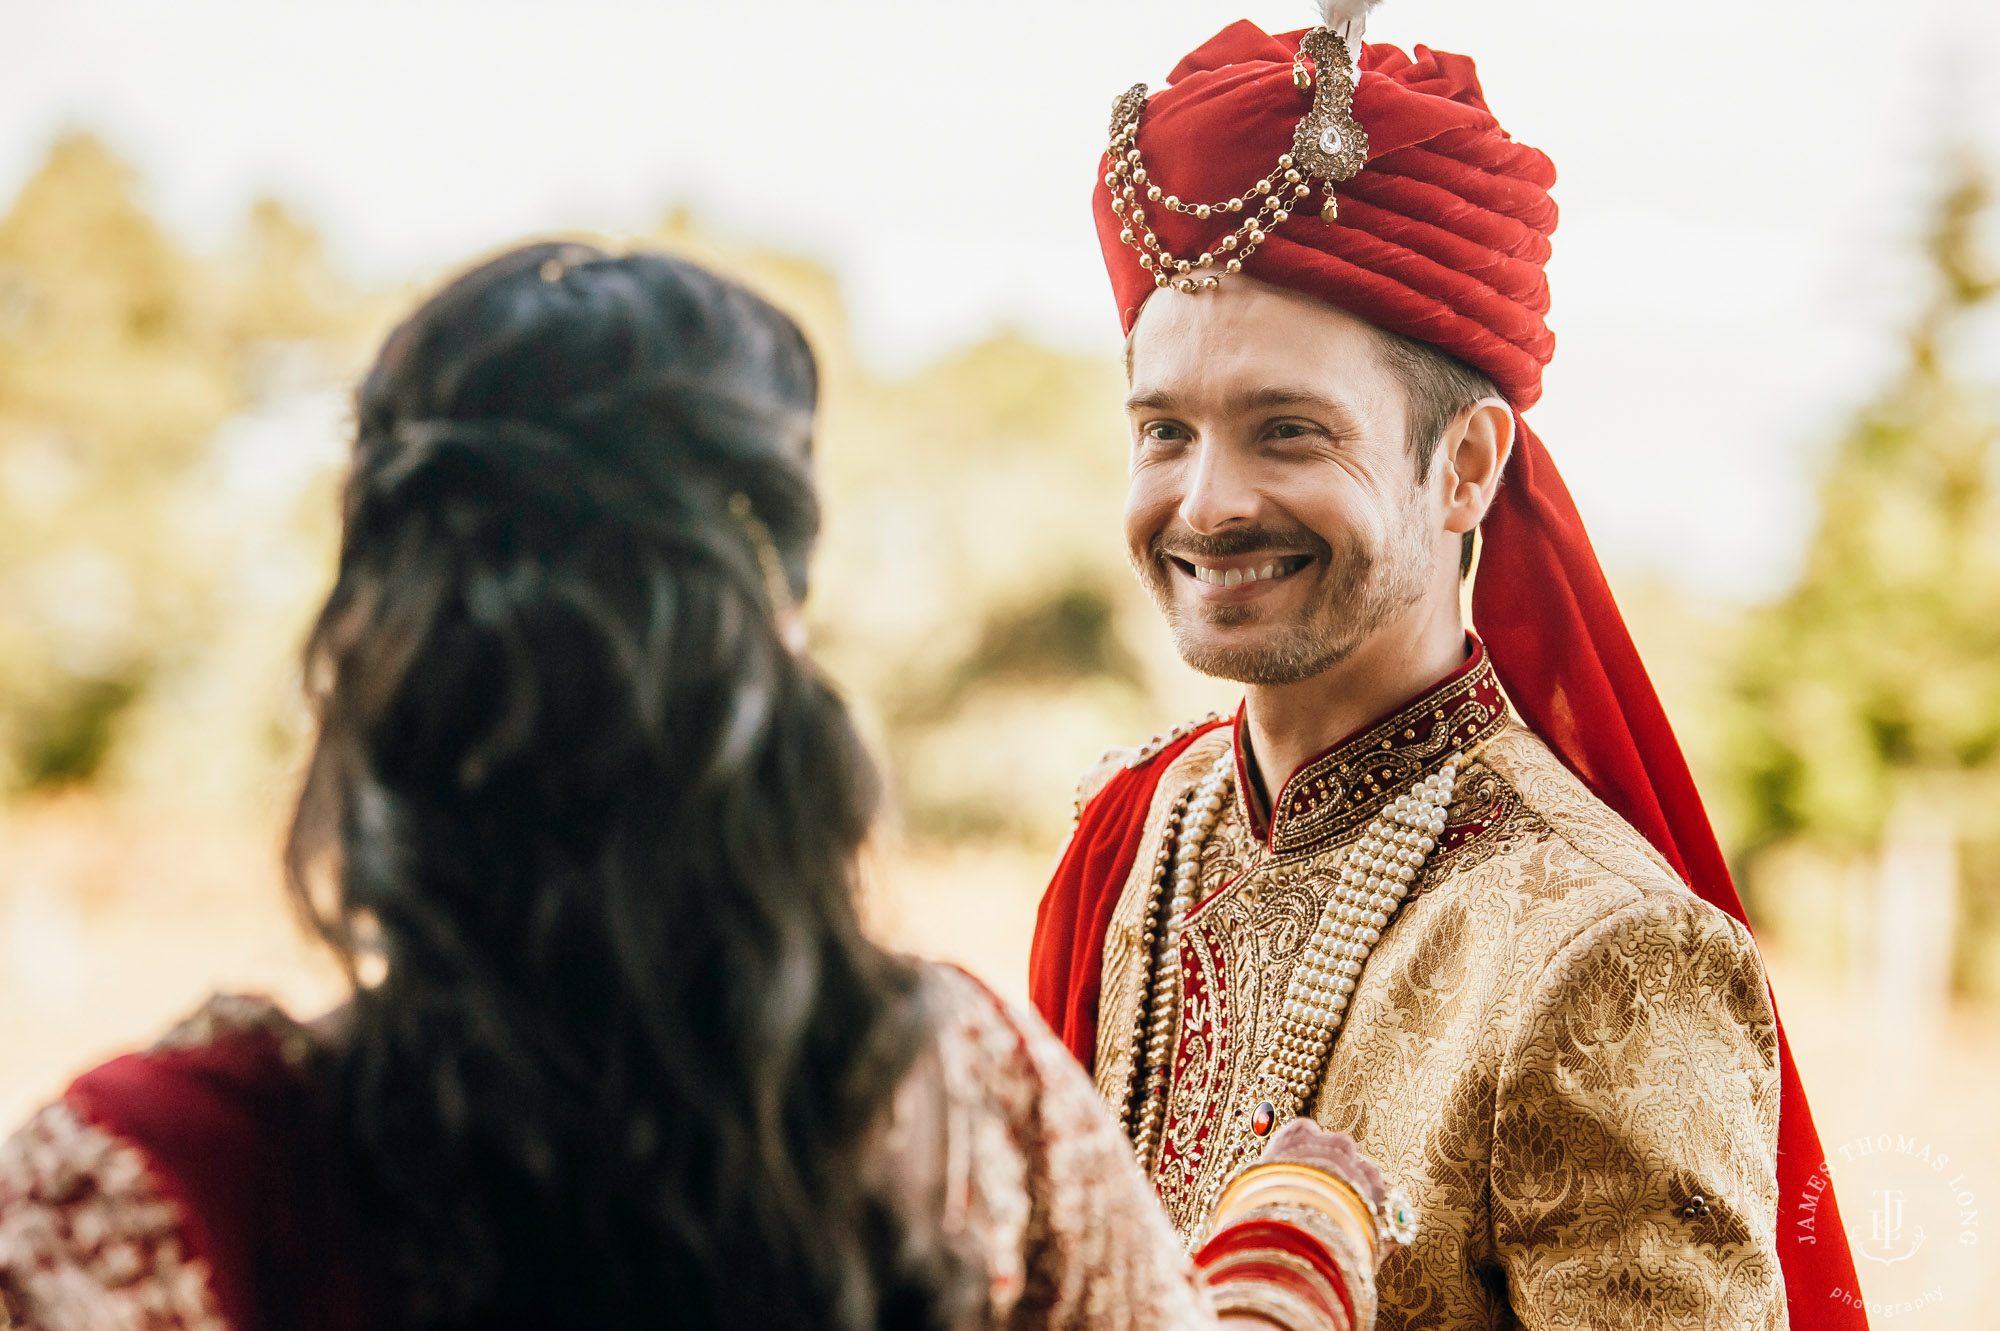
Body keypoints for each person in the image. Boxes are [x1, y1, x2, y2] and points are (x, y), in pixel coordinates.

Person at [0, 242, 1408, 1331]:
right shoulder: (969, 1111)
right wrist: (1296, 1223)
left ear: (370, 660)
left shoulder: (146, 1191)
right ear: (773, 650)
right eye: (1163, 430)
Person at [1029, 5, 1868, 1329]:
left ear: (1465, 466)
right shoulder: (1133, 836)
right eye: (1164, 430)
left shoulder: (1604, 950)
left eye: (1289, 430)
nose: (1207, 502)